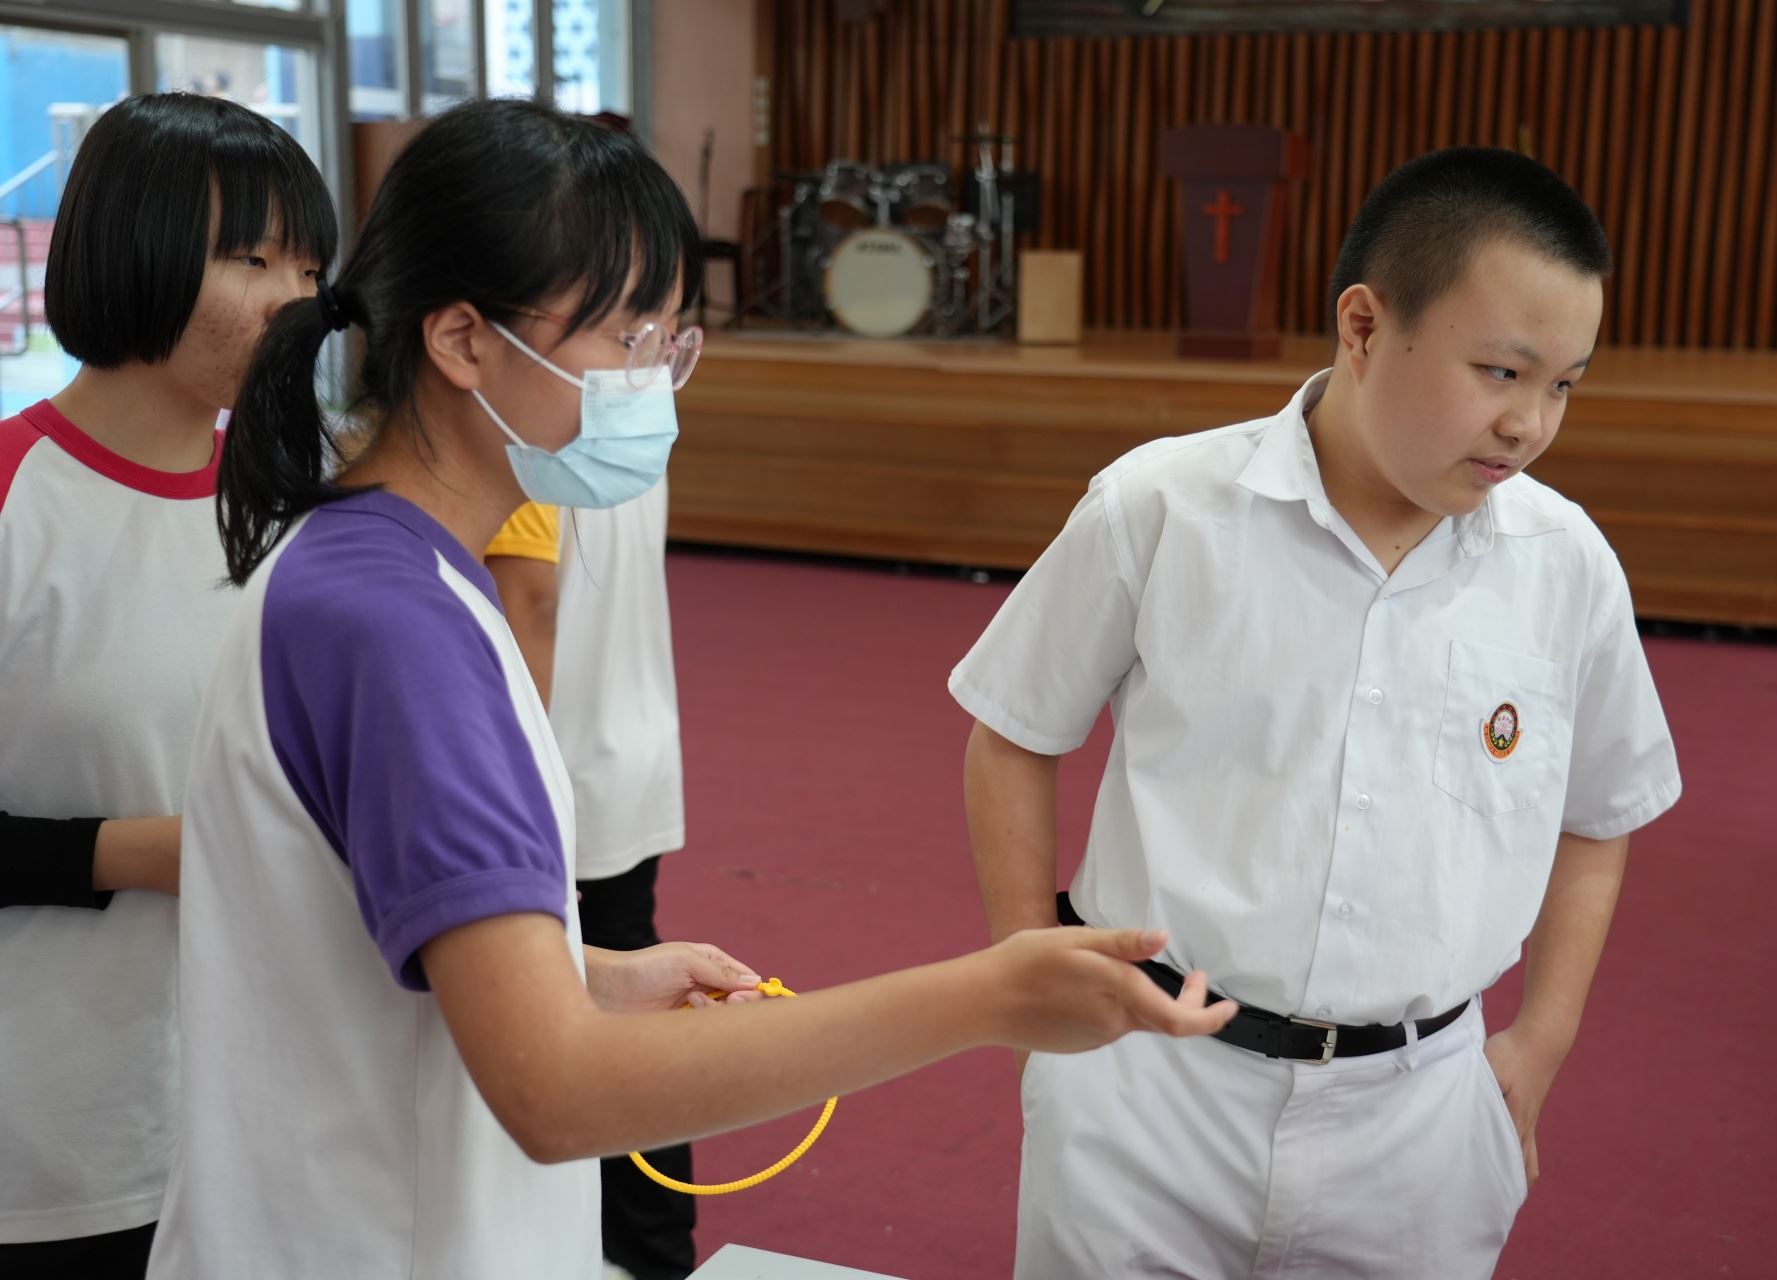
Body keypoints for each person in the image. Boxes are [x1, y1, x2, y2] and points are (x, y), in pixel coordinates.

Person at [147, 98, 1235, 1278]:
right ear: (461, 341)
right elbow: (555, 1089)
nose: (652, 382)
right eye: (626, 339)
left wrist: (589, 970)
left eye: (670, 341)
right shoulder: (394, 624)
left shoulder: (380, 571)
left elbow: (356, 940)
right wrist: (984, 996)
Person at [952, 147, 1683, 1279]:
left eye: (1564, 385)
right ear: (1363, 325)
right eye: (1501, 370)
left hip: (1418, 1115)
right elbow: (1013, 730)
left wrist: (1541, 1041)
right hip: (1147, 1084)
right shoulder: (1164, 506)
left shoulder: (1565, 563)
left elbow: (1600, 814)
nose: (1529, 423)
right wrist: (1026, 984)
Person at [0, 93, 333, 1274]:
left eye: (309, 267)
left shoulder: (300, 503)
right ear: (128, 246)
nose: (294, 299)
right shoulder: (18, 496)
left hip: (268, 1114)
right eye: (251, 259)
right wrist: (135, 851)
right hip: (54, 1137)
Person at [487, 485, 696, 1280]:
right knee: (624, 997)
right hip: (623, 747)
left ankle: (645, 1248)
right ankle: (649, 1247)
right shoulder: (627, 409)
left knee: (585, 1014)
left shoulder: (516, 431)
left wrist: (521, 803)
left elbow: (527, 598)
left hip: (563, 770)